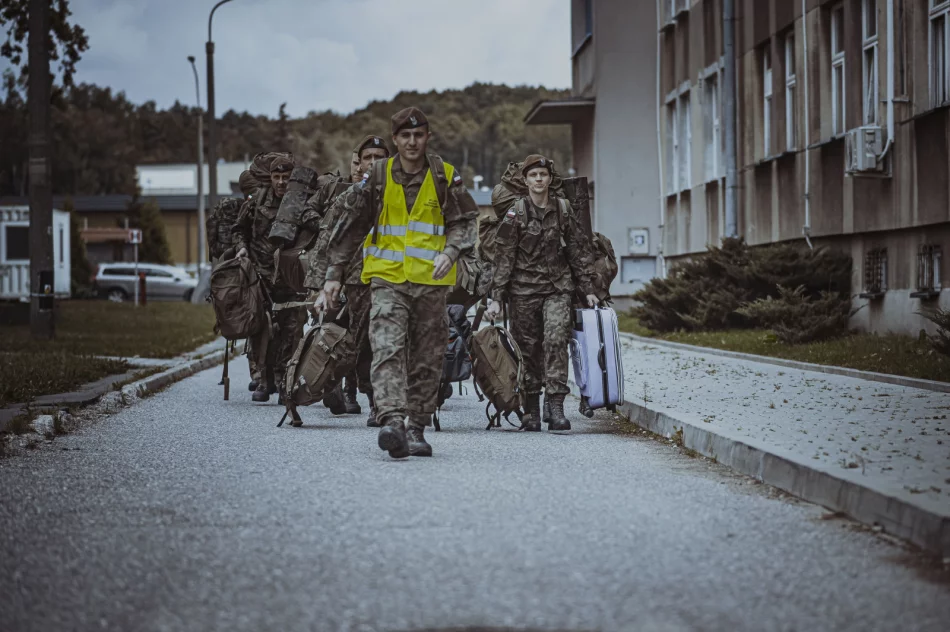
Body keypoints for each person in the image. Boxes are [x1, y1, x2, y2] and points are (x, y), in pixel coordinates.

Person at [317, 107, 478, 458]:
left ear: (428, 137)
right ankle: (391, 419)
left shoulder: (444, 175)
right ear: (396, 140)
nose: (412, 142)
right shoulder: (377, 177)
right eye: (405, 135)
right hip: (387, 280)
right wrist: (333, 277)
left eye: (418, 135)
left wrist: (450, 252)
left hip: (432, 285)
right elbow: (350, 228)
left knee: (426, 358)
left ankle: (417, 428)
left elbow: (466, 222)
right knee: (386, 347)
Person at [485, 154, 598, 432]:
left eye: (543, 175)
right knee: (528, 349)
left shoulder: (562, 208)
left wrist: (589, 290)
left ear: (549, 179)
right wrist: (496, 296)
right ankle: (532, 410)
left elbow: (577, 250)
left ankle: (557, 406)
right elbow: (504, 257)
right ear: (525, 181)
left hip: (558, 288)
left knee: (556, 339)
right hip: (523, 291)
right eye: (533, 175)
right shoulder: (516, 212)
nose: (539, 179)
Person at [302, 135, 390, 423]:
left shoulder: (401, 194)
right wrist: (319, 285)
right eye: (368, 158)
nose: (374, 163)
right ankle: (362, 394)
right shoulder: (348, 197)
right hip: (358, 280)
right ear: (360, 163)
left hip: (394, 277)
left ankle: (381, 403)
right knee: (362, 341)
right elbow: (328, 239)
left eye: (380, 157)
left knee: (388, 340)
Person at [232, 154, 307, 404]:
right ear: (271, 178)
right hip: (261, 278)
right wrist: (241, 248)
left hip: (290, 278)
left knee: (291, 331)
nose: (281, 182)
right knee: (262, 330)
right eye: (277, 177)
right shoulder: (257, 202)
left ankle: (286, 382)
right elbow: (238, 230)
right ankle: (264, 380)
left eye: (286, 177)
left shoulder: (300, 201)